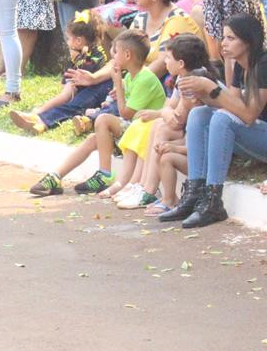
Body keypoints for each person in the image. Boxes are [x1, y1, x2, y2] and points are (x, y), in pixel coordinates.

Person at [159, 14, 267, 228]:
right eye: (224, 37)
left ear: (248, 41)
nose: (223, 43)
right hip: (255, 133)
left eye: (230, 38)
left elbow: (247, 115)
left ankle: (213, 200)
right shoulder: (240, 65)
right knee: (201, 114)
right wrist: (202, 95)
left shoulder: (263, 63)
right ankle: (195, 192)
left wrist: (211, 88)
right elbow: (232, 105)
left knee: (221, 119)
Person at [29, 29, 166, 196]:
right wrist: (120, 88)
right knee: (92, 139)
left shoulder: (145, 78)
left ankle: (105, 174)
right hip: (132, 131)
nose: (113, 58)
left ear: (127, 55)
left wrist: (118, 85)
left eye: (115, 53)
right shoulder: (131, 77)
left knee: (103, 120)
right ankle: (55, 176)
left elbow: (126, 114)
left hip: (143, 133)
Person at [114, 33, 209, 211]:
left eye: (168, 58)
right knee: (156, 124)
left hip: (195, 138)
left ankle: (149, 189)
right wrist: (160, 113)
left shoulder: (192, 81)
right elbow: (170, 107)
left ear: (181, 64)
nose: (165, 62)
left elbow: (175, 120)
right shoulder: (181, 78)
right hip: (186, 134)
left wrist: (162, 114)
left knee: (161, 127)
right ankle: (143, 185)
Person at [9, 13, 108, 134]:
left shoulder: (94, 56)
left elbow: (71, 88)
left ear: (78, 40)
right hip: (87, 90)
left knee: (74, 102)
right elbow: (67, 83)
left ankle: (39, 116)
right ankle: (41, 122)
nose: (67, 42)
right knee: (71, 98)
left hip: (101, 89)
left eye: (68, 38)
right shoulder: (80, 54)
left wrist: (43, 108)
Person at [130, 0, 205, 78]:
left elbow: (162, 65)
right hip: (143, 78)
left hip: (170, 81)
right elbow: (123, 52)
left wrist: (130, 84)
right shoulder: (140, 19)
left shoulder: (177, 19)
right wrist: (95, 78)